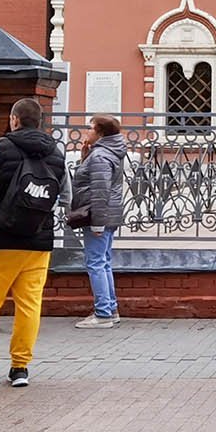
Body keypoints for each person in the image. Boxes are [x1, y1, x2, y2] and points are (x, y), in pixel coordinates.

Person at [0, 97, 73, 392]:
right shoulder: (57, 154)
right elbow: (67, 198)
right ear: (40, 121)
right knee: (29, 305)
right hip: (38, 242)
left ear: (14, 120)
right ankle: (20, 368)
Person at [72, 115, 126, 329]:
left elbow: (101, 189)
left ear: (101, 133)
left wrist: (97, 222)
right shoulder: (106, 152)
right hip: (108, 214)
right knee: (103, 261)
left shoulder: (101, 155)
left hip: (99, 215)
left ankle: (103, 313)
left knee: (95, 262)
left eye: (90, 128)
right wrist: (84, 157)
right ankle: (110, 309)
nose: (87, 132)